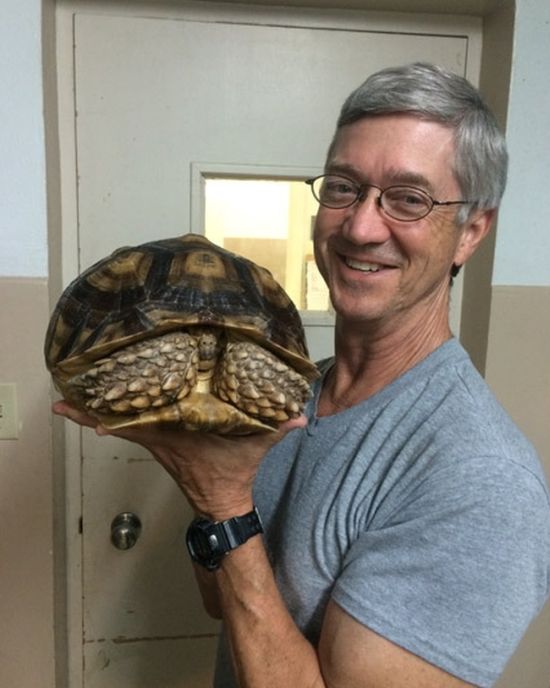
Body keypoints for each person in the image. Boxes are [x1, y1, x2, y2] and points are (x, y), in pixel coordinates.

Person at [54, 62, 550, 688]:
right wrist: (205, 480)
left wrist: (224, 502)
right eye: (343, 187)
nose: (362, 227)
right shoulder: (292, 393)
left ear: (470, 232)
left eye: (409, 198)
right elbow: (220, 599)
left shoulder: (481, 480)